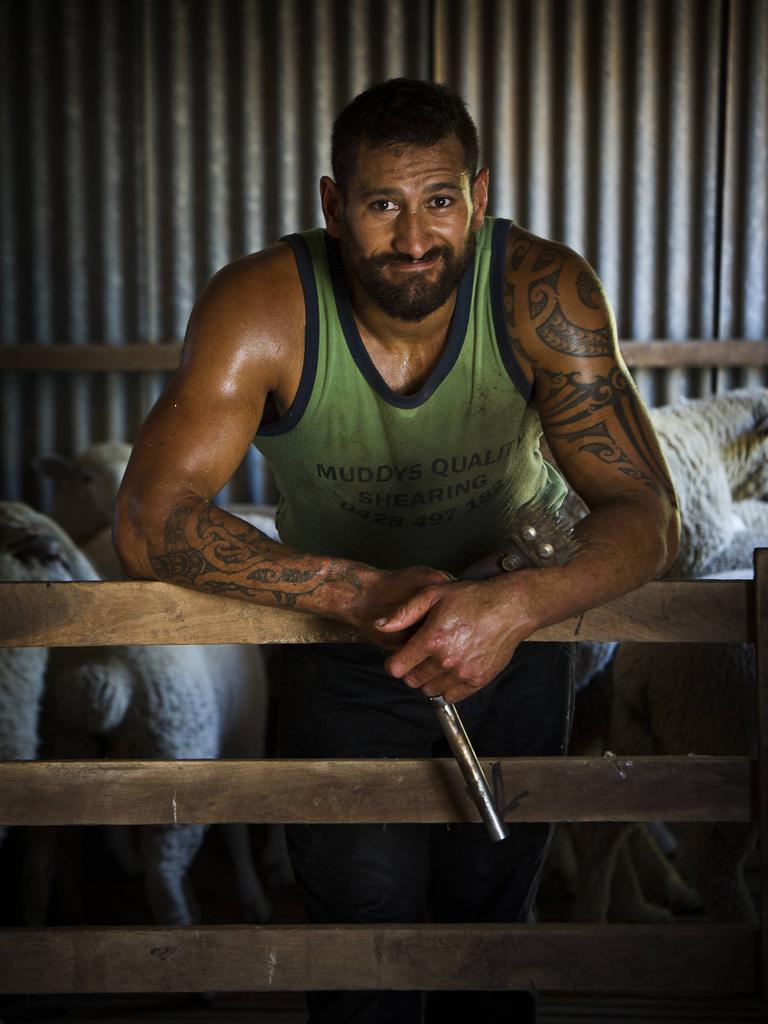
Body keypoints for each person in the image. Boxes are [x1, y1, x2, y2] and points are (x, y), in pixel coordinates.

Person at [114, 78, 679, 1023]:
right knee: (357, 924)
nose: (416, 237)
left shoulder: (545, 292)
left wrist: (518, 605)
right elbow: (148, 518)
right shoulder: (264, 305)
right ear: (334, 204)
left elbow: (644, 510)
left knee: (493, 919)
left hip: (517, 624)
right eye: (382, 204)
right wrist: (357, 591)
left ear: (481, 195)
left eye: (440, 201)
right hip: (342, 639)